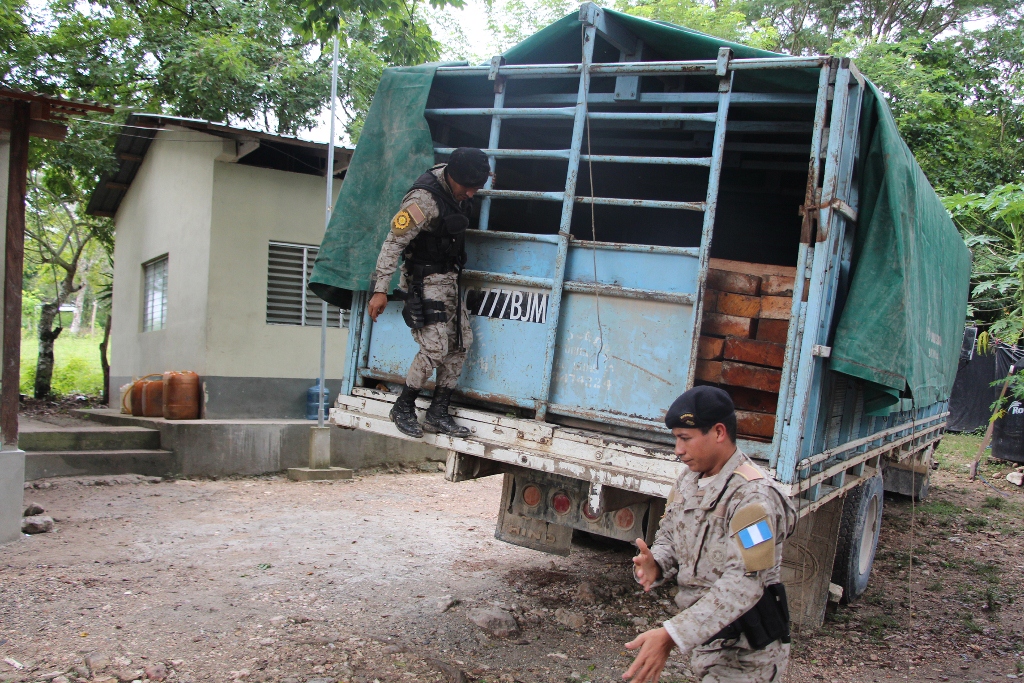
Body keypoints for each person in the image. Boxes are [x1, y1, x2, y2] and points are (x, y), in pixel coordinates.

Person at [624, 386, 797, 683]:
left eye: (685, 438)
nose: (678, 450)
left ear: (718, 432)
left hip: (747, 657)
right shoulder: (690, 480)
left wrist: (671, 635)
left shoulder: (753, 497)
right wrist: (657, 562)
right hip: (709, 645)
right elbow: (671, 535)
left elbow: (744, 583)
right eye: (675, 439)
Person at [367, 148, 490, 438]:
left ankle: (437, 413)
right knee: (435, 349)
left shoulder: (459, 186)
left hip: (449, 279)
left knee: (461, 344)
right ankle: (403, 407)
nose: (471, 194)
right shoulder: (423, 200)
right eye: (467, 187)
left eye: (477, 188)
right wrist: (380, 290)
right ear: (451, 177)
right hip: (423, 281)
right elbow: (392, 244)